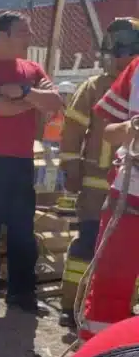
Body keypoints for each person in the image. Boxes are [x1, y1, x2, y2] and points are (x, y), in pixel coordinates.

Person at [0, 11, 63, 313]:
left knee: (22, 229)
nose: (28, 37)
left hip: (20, 160)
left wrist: (23, 92)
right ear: (2, 36)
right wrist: (31, 102)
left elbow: (56, 103)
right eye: (22, 32)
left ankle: (22, 295)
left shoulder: (31, 70)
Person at [57, 18, 139, 328]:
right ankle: (71, 305)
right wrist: (71, 166)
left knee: (124, 256)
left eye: (125, 51)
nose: (119, 59)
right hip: (96, 182)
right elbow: (73, 130)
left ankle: (122, 313)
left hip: (126, 181)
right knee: (87, 244)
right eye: (116, 52)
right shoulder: (93, 88)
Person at [78, 54, 139, 340]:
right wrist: (130, 129)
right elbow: (110, 132)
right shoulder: (136, 69)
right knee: (110, 286)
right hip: (130, 195)